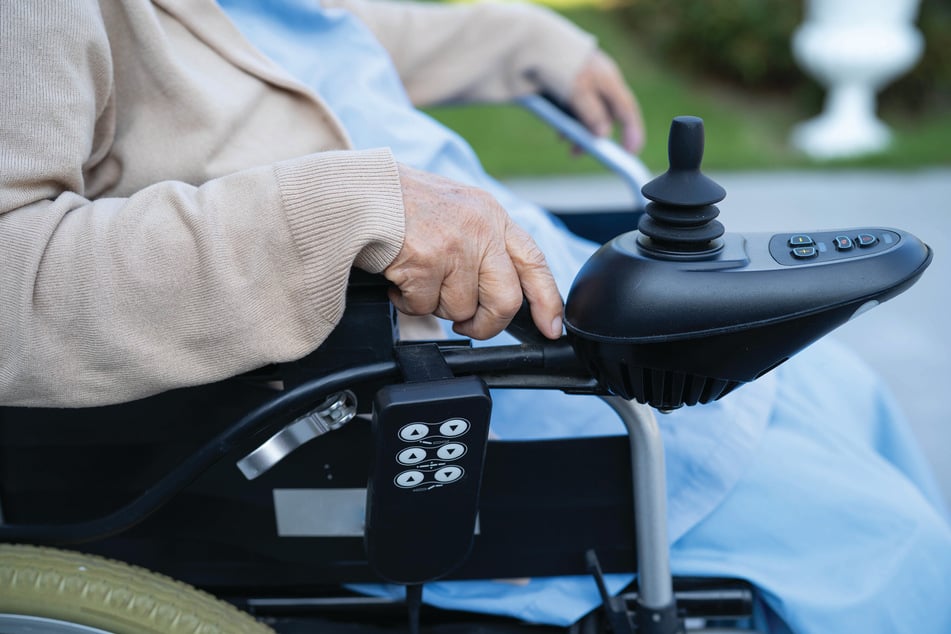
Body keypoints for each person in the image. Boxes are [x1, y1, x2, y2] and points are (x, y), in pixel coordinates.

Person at [1, 1, 949, 633]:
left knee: (843, 385)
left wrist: (521, 37)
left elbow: (294, 37)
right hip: (397, 384)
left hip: (504, 280)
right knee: (881, 547)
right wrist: (345, 213)